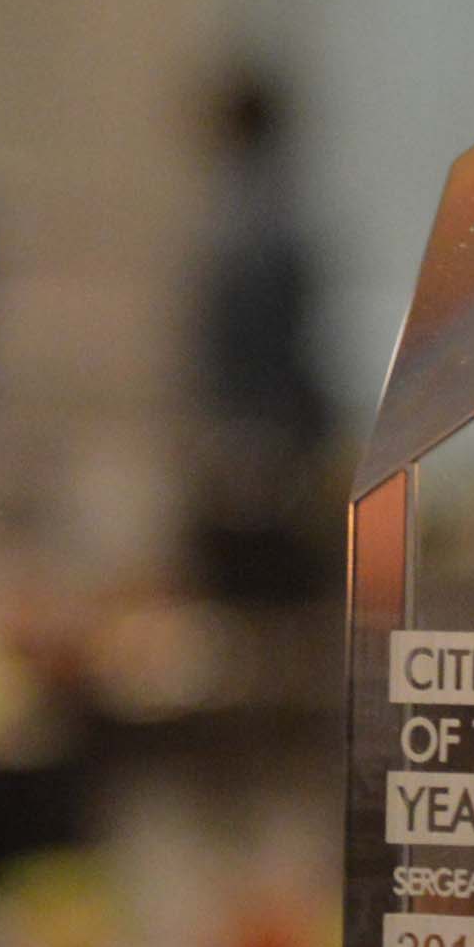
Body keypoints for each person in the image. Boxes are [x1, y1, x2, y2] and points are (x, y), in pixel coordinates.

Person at [186, 68, 333, 601]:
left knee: (255, 561)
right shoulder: (270, 207)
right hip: (265, 412)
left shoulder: (254, 221)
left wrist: (240, 423)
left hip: (260, 418)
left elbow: (257, 335)